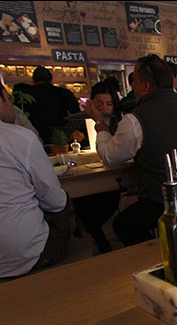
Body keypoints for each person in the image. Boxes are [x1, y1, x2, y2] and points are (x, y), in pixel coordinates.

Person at [83, 54, 177, 247]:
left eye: (134, 80)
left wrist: (100, 124)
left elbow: (110, 156)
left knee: (123, 225)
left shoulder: (136, 119)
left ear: (146, 85)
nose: (132, 85)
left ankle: (158, 252)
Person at [0, 67, 70, 278]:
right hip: (22, 256)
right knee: (62, 202)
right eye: (8, 97)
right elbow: (54, 201)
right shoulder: (18, 136)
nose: (11, 104)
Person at [71, 81, 122, 254]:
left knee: (94, 207)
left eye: (108, 104)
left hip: (114, 176)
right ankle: (97, 237)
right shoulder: (81, 122)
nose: (103, 108)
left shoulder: (120, 124)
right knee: (81, 199)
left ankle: (94, 235)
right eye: (99, 103)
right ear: (91, 103)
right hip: (88, 172)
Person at [28, 66, 80, 149]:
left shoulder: (26, 95)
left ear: (33, 80)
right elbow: (76, 114)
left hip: (35, 138)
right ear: (51, 79)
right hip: (61, 137)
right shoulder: (62, 92)